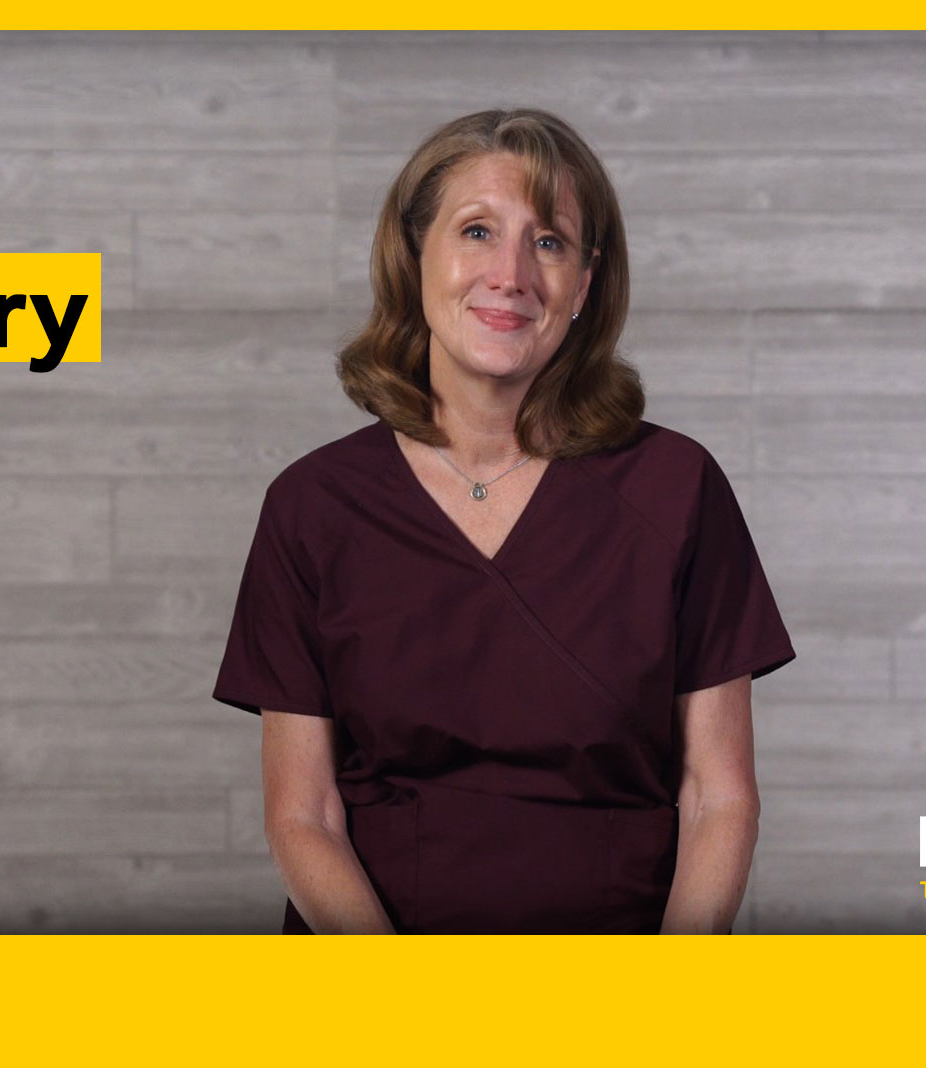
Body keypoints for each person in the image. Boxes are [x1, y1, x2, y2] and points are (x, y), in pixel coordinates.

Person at [212, 108, 796, 933]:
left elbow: (719, 798)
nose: (512, 273)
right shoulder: (313, 507)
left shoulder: (678, 488)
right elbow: (303, 815)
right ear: (413, 256)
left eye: (549, 241)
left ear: (586, 283)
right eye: (478, 232)